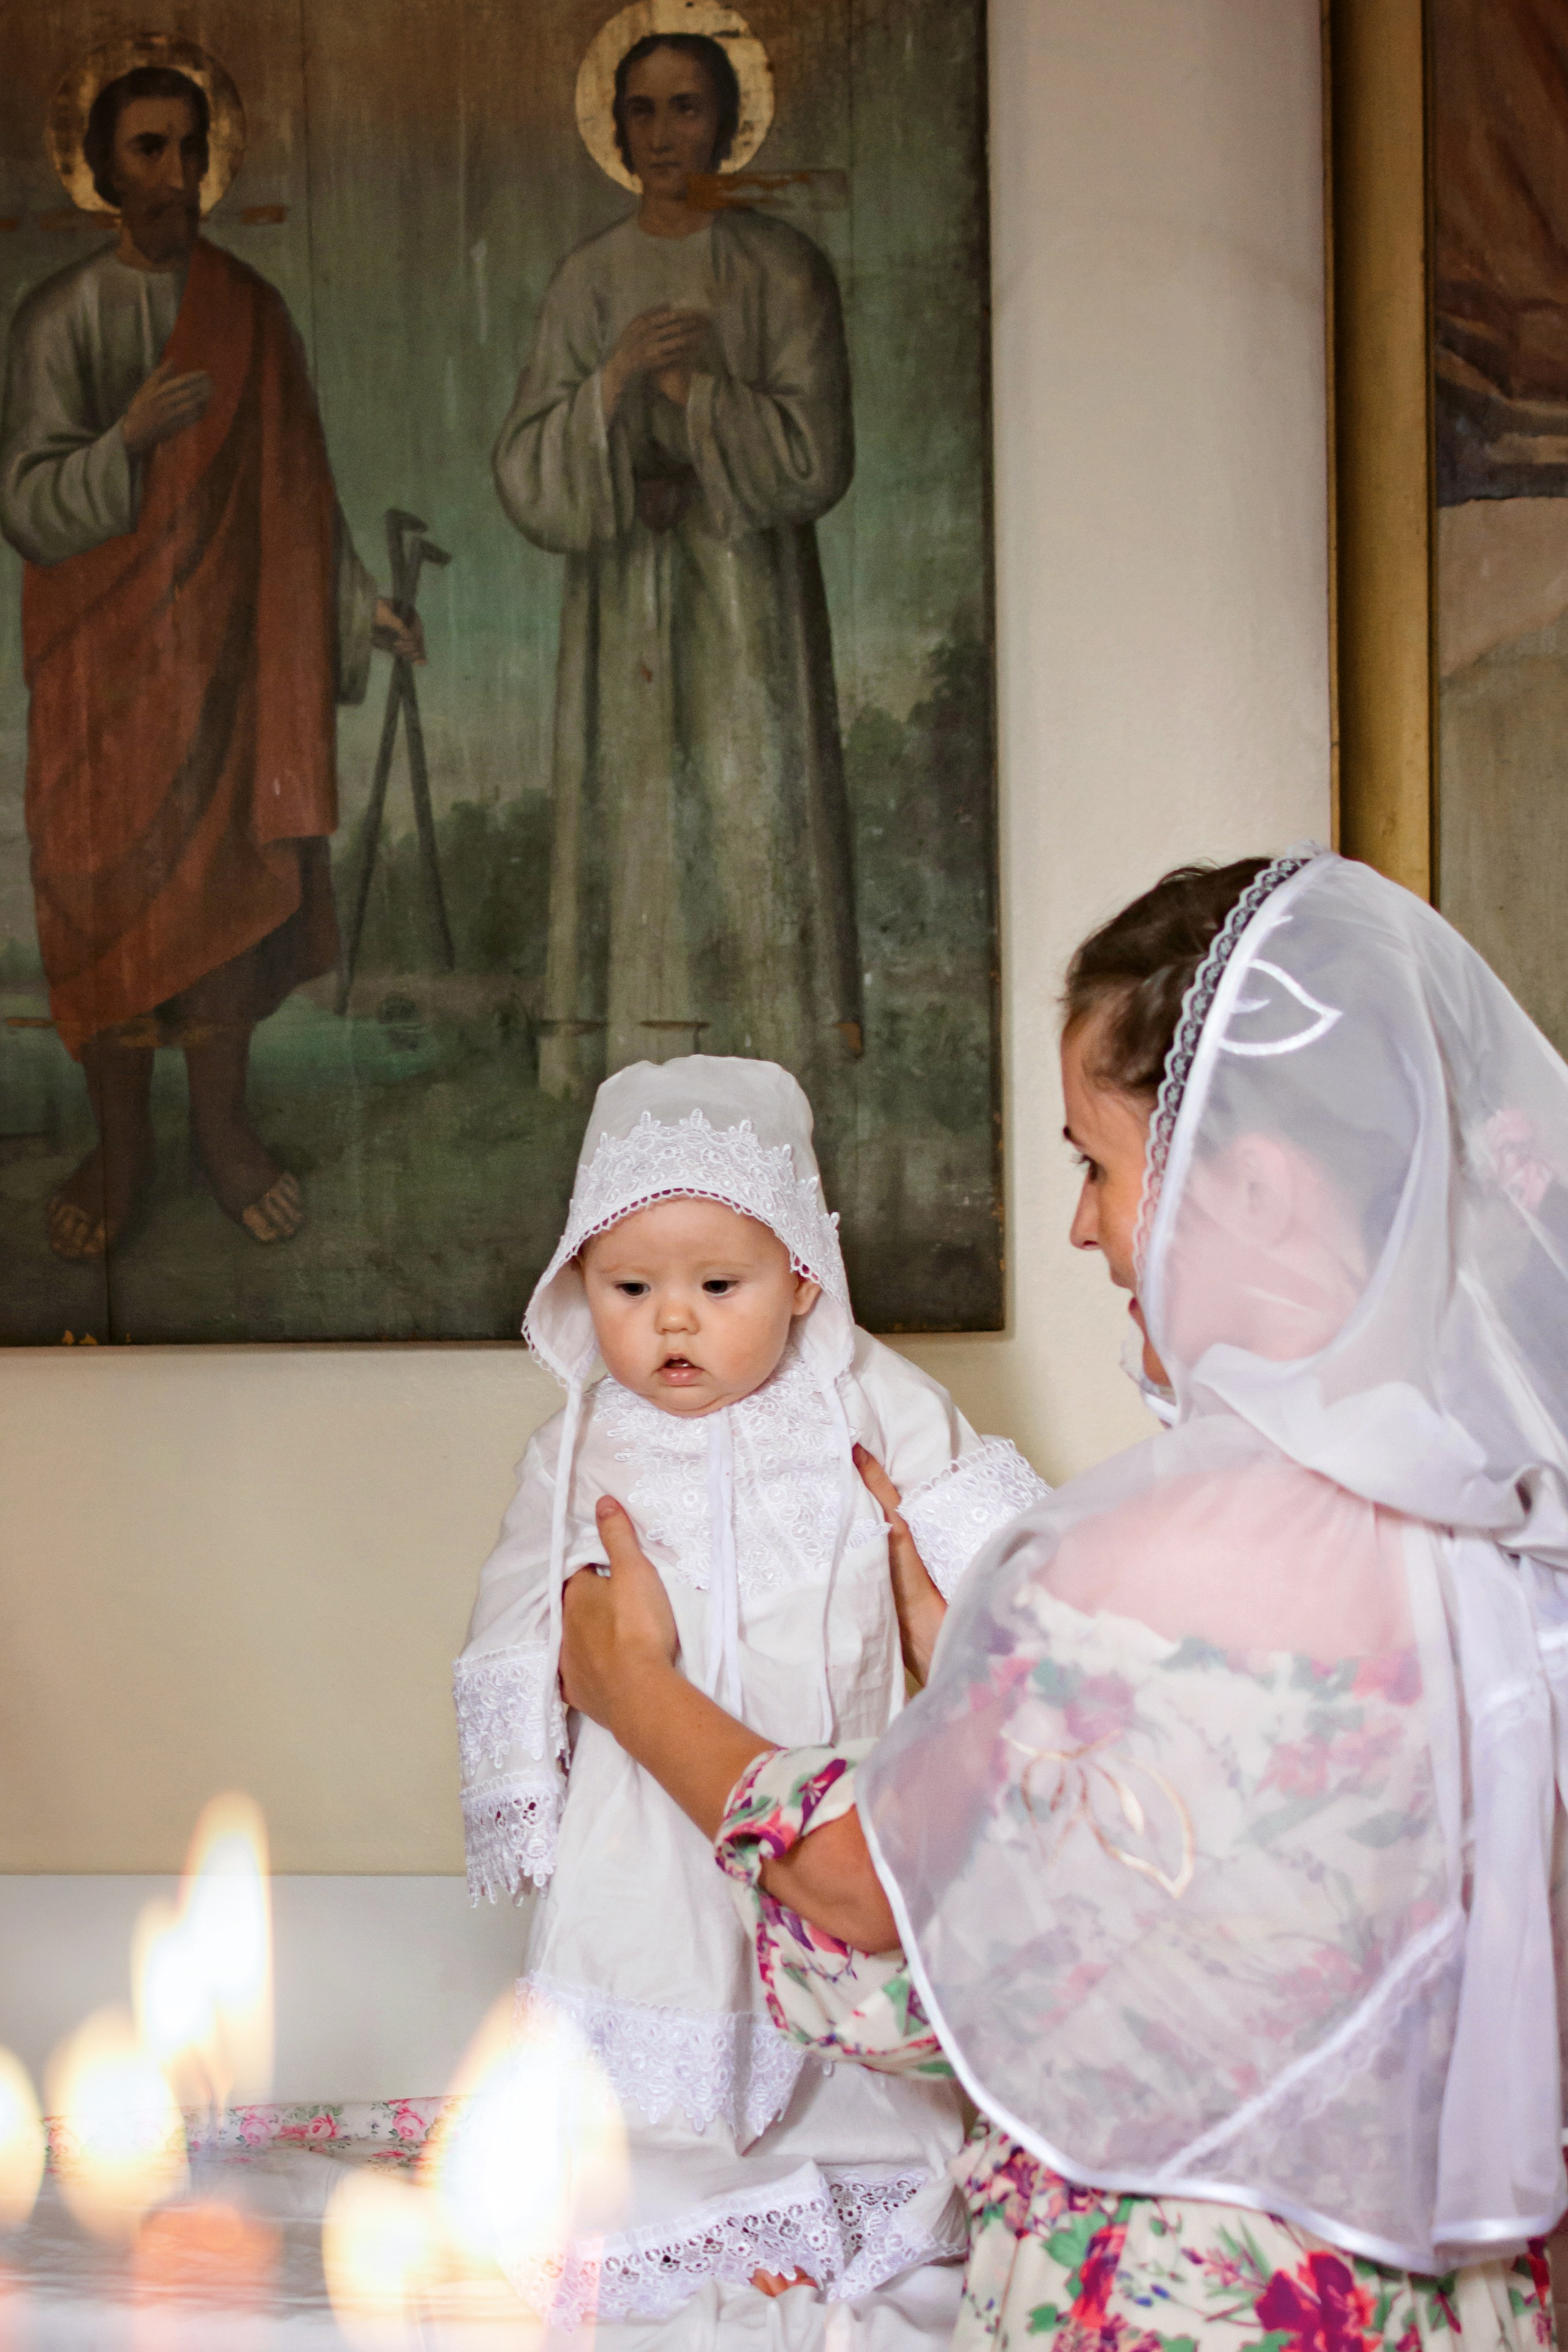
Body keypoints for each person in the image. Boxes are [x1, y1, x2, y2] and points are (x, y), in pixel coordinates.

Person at [559, 851, 1566, 2351]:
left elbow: (878, 1915)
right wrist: (980, 1676)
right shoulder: (1510, 1522)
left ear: (1256, 1185)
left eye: (1095, 1164)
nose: (1084, 1232)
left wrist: (635, 1692)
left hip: (1184, 2307)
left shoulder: (1130, 1562)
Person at [453, 1053, 1048, 2340]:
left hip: (830, 1791)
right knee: (646, 2040)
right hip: (641, 1827)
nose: (672, 1321)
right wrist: (519, 1777)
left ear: (800, 1280)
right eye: (629, 1289)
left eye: (716, 1286)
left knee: (844, 2013)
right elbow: (514, 1613)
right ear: (577, 1286)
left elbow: (998, 1547)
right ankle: (653, 2220)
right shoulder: (579, 1445)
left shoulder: (868, 1401)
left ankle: (859, 2199)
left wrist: (1006, 1642)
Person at [0, 62, 420, 1257]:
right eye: (148, 150)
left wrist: (355, 612)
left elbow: (298, 489)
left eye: (189, 150)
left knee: (222, 901)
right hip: (99, 677)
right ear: (100, 167)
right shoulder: (61, 319)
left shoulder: (249, 311)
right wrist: (124, 442)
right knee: (106, 895)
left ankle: (223, 1132)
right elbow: (27, 503)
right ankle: (123, 1147)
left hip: (227, 669)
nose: (174, 176)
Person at [493, 32, 859, 1103]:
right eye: (644, 112)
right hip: (625, 612)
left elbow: (815, 457)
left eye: (687, 109)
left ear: (726, 121)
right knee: (640, 818)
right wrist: (610, 387)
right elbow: (524, 467)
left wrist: (696, 394)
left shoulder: (781, 268)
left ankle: (771, 1066)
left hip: (748, 597)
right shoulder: (589, 278)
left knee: (751, 812)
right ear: (616, 129)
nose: (664, 135)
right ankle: (634, 1076)